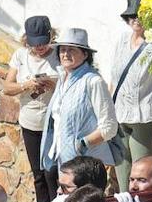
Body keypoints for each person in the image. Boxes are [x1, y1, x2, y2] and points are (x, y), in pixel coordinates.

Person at [108, 0, 152, 195]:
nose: (136, 19)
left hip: (147, 116)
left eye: (141, 15)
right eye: (132, 15)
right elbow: (114, 79)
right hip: (120, 116)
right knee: (123, 178)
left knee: (144, 177)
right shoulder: (121, 41)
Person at [40, 27, 118, 182]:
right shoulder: (63, 78)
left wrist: (81, 145)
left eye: (71, 50)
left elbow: (109, 127)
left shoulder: (93, 81)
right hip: (63, 158)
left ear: (85, 54)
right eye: (62, 50)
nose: (65, 54)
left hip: (85, 163)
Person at [3, 15, 59, 202]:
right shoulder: (20, 56)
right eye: (35, 43)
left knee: (53, 171)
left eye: (43, 42)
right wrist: (26, 85)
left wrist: (52, 84)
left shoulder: (59, 53)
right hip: (30, 121)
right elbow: (7, 87)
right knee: (38, 173)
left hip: (54, 122)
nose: (40, 47)